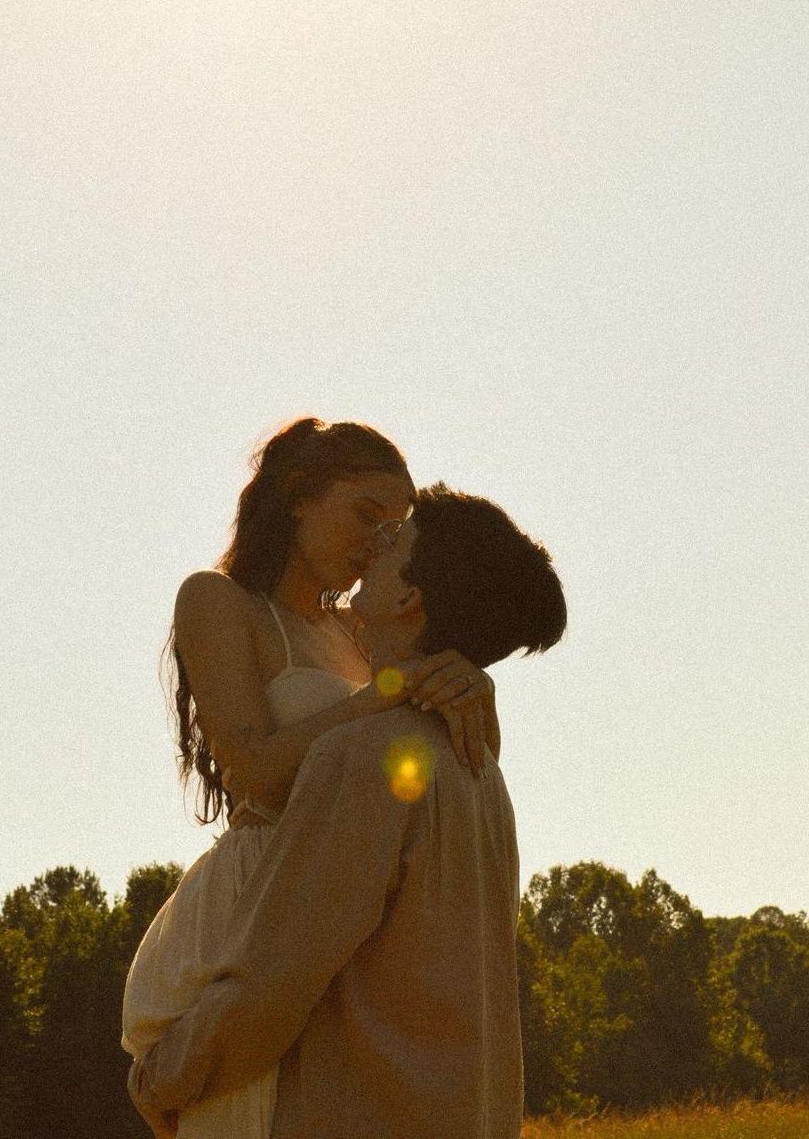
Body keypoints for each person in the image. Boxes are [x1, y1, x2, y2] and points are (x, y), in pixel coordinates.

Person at [128, 482, 567, 1139]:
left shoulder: (362, 757)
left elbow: (274, 980)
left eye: (393, 540)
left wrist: (163, 1077)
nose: (372, 549)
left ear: (408, 597)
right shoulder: (478, 767)